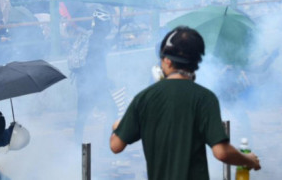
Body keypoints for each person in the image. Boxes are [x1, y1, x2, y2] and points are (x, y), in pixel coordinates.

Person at [110, 26, 261, 180]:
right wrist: (248, 160)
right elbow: (221, 152)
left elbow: (116, 146)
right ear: (196, 62)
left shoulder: (144, 98)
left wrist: (117, 127)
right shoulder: (205, 98)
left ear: (167, 61)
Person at [70, 8, 118, 145]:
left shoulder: (91, 36)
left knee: (81, 116)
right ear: (102, 25)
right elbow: (96, 66)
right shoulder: (97, 42)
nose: (109, 27)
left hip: (83, 83)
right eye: (108, 24)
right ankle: (106, 146)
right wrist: (106, 81)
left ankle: (76, 145)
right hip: (94, 86)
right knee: (112, 110)